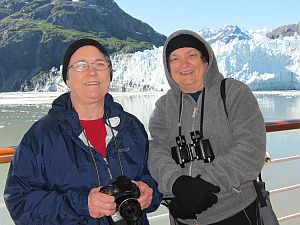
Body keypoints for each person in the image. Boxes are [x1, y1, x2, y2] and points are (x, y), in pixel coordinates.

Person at [4, 38, 162, 225]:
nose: (92, 71)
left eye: (100, 64)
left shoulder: (132, 127)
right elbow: (19, 202)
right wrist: (82, 204)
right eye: (80, 65)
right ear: (67, 79)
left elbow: (152, 177)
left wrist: (149, 192)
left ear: (109, 73)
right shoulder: (42, 135)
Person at [148, 30, 266, 225]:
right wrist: (178, 185)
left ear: (206, 60)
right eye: (175, 58)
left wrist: (205, 185)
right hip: (183, 214)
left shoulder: (234, 93)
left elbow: (250, 149)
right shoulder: (164, 106)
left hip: (235, 212)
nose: (183, 64)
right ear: (168, 67)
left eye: (191, 55)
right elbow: (155, 151)